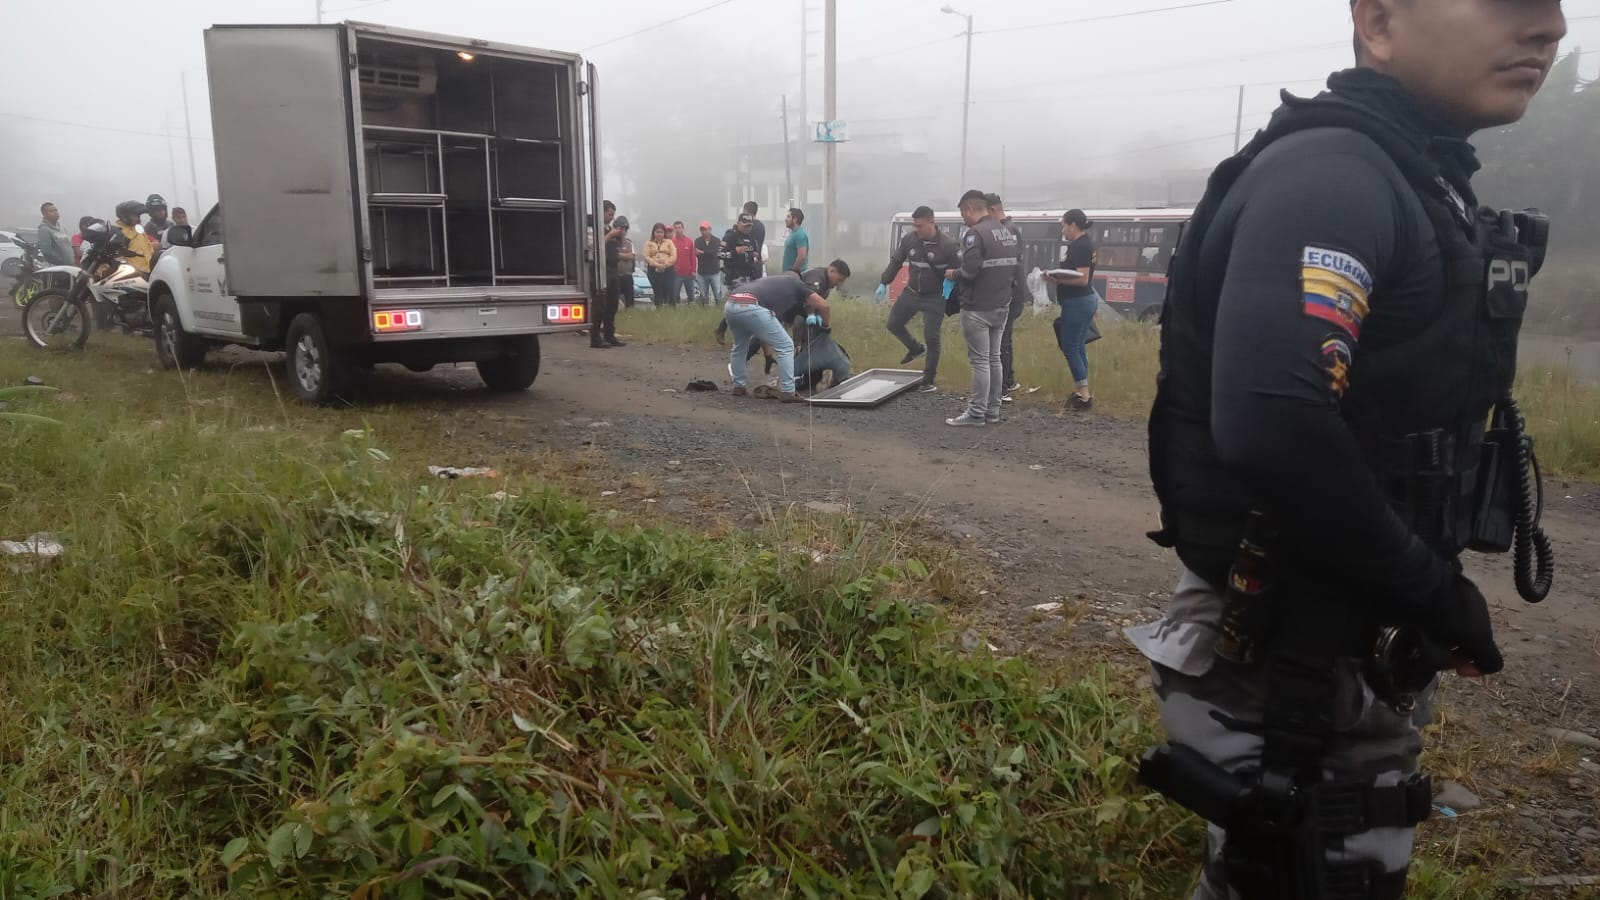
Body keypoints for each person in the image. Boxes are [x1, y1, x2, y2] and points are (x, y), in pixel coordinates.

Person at [1129, 2, 1567, 899]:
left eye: (1557, 8)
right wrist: (1434, 591)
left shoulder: (1414, 173)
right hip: (1285, 659)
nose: (1549, 29)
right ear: (1379, 22)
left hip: (1334, 639)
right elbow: (1275, 425)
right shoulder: (1333, 175)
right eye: (1511, 4)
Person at [946, 190, 1018, 427]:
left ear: (968, 209)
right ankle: (993, 410)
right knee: (994, 359)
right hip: (1001, 305)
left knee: (979, 362)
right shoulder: (1005, 231)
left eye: (962, 213)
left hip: (978, 307)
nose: (963, 218)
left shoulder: (975, 234)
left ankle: (976, 413)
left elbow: (969, 271)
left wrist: (952, 273)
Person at [878, 205, 961, 393]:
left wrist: (952, 282)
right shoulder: (909, 240)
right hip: (912, 291)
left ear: (932, 222)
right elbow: (896, 261)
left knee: (932, 337)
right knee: (893, 323)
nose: (917, 230)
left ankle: (928, 379)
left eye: (921, 226)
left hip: (936, 296)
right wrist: (884, 282)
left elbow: (961, 271)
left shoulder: (948, 245)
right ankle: (915, 348)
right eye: (915, 226)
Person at [724, 274, 831, 402]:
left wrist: (768, 355)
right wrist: (825, 327)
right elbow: (824, 306)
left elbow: (762, 329)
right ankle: (788, 391)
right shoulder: (798, 285)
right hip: (752, 306)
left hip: (731, 304)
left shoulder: (772, 284)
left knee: (740, 346)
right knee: (786, 346)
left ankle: (738, 386)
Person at [1043, 209, 1098, 410]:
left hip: (1078, 302)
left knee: (1070, 347)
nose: (1062, 229)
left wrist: (1056, 279)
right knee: (1078, 346)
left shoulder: (1081, 246)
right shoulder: (1082, 244)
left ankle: (1083, 396)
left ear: (1073, 225)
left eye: (1063, 225)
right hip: (1082, 301)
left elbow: (1082, 279)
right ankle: (1082, 391)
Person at [988, 194, 1030, 403]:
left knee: (1001, 343)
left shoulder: (1008, 232)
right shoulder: (1011, 229)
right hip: (1012, 294)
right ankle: (1010, 380)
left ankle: (1002, 388)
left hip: (1010, 295)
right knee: (1006, 341)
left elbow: (1009, 267)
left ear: (994, 210)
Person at [713, 215, 764, 344]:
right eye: (745, 226)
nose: (748, 228)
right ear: (739, 224)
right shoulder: (730, 236)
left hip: (749, 274)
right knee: (741, 305)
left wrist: (755, 256)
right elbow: (719, 254)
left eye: (750, 226)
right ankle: (724, 330)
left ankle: (736, 332)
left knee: (748, 306)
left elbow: (755, 253)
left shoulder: (752, 237)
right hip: (735, 276)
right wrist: (735, 252)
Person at [592, 202, 627, 349]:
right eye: (610, 214)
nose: (612, 218)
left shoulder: (609, 229)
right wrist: (610, 235)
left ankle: (609, 334)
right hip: (600, 270)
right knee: (600, 305)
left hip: (613, 270)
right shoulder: (593, 227)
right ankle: (595, 337)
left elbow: (619, 246)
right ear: (602, 212)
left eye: (613, 215)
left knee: (613, 304)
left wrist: (620, 235)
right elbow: (593, 246)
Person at [113, 200, 155, 274]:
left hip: (149, 270)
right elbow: (117, 255)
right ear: (124, 216)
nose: (137, 218)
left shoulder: (137, 229)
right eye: (134, 215)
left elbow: (146, 247)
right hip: (132, 273)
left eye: (138, 215)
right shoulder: (118, 232)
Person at [644, 223, 678, 308]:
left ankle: (672, 309)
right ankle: (659, 309)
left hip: (668, 269)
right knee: (657, 290)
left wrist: (665, 264)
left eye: (661, 232)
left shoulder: (669, 242)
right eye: (657, 232)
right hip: (653, 269)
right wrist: (656, 265)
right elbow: (646, 256)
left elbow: (674, 255)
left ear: (664, 233)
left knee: (670, 290)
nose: (659, 234)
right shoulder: (648, 243)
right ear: (653, 233)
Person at [694, 221, 724, 305]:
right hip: (702, 273)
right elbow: (697, 253)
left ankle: (718, 308)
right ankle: (704, 310)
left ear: (710, 230)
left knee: (717, 294)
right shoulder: (698, 241)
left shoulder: (716, 240)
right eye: (702, 230)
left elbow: (715, 253)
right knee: (703, 296)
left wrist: (703, 252)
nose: (703, 231)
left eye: (705, 229)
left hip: (714, 272)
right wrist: (708, 252)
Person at [671, 220, 698, 304]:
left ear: (683, 229)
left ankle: (691, 310)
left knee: (691, 296)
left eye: (679, 228)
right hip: (676, 274)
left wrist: (693, 270)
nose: (677, 230)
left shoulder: (689, 241)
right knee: (675, 296)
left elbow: (693, 257)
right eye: (675, 228)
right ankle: (675, 310)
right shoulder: (671, 242)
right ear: (673, 230)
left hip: (688, 274)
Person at [781, 207, 809, 272]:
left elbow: (801, 256)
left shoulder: (800, 235)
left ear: (795, 219)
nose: (785, 219)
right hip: (788, 275)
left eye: (788, 217)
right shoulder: (793, 234)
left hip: (796, 276)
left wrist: (793, 272)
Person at [742, 201, 767, 272]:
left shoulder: (746, 226)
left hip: (747, 265)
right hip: (758, 264)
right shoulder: (761, 226)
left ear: (745, 211)